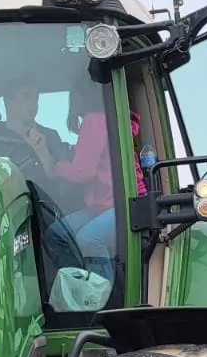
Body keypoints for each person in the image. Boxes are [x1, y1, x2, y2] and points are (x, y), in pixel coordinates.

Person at [50, 84, 147, 282]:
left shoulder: (94, 120)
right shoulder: (110, 119)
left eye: (73, 95)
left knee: (88, 239)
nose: (71, 101)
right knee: (57, 232)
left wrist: (56, 166)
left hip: (125, 203)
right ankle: (77, 282)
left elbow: (83, 172)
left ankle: (100, 292)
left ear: (83, 95)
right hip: (106, 203)